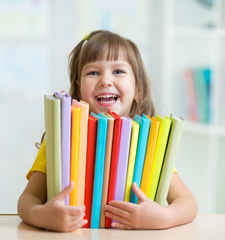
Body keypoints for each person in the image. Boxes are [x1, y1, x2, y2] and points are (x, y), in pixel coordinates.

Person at [17, 30, 198, 232]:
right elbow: (27, 200)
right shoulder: (60, 140)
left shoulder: (149, 145)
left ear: (137, 89)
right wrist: (41, 215)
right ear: (79, 89)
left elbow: (188, 202)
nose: (105, 80)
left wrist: (165, 217)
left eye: (118, 71)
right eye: (93, 72)